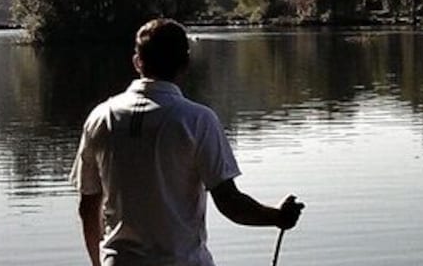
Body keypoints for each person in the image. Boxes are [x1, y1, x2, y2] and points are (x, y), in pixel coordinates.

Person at [73, 19, 304, 266]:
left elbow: (88, 207)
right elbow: (230, 204)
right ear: (185, 64)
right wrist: (278, 216)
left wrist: (98, 264)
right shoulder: (197, 120)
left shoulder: (100, 117)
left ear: (137, 62)